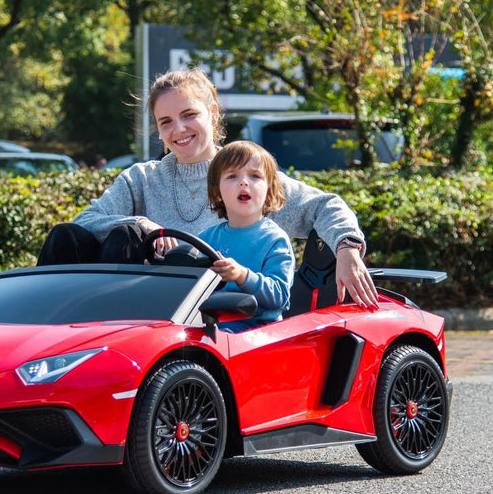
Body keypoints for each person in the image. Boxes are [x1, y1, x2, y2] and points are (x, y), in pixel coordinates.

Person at [37, 68, 378, 308]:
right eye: (166, 122)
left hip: (211, 318)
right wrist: (143, 225)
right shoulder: (142, 178)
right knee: (76, 236)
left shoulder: (245, 177)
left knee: (139, 241)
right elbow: (85, 222)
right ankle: (41, 336)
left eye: (189, 115)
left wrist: (347, 248)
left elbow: (324, 206)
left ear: (213, 114)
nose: (178, 129)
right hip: (137, 307)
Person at [199, 141, 294, 332]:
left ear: (269, 191)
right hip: (210, 327)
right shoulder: (206, 238)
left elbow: (279, 297)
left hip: (258, 332)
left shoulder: (274, 239)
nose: (243, 182)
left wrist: (242, 276)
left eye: (255, 176)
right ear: (217, 193)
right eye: (232, 176)